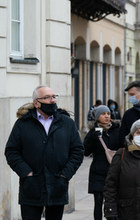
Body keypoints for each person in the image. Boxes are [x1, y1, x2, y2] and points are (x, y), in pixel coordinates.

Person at [4, 85, 84, 220]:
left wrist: (65, 174)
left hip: (57, 185)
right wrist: (26, 173)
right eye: (47, 97)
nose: (52, 100)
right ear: (36, 103)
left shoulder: (66, 123)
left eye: (54, 97)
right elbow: (12, 151)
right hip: (31, 187)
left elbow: (78, 151)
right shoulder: (23, 124)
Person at [83, 105, 121, 220]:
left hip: (114, 172)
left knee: (114, 202)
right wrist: (92, 137)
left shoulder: (117, 130)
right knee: (98, 203)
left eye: (108, 114)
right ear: (97, 117)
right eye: (103, 114)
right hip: (98, 172)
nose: (106, 116)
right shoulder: (93, 133)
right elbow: (86, 151)